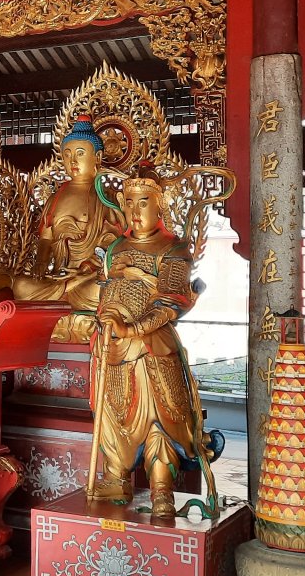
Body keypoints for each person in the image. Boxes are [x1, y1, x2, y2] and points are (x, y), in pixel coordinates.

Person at [89, 167, 218, 520]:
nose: (135, 210)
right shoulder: (116, 247)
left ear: (160, 205)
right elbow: (104, 289)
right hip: (112, 347)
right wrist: (104, 316)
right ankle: (117, 478)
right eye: (129, 202)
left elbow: (170, 303)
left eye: (144, 202)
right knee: (115, 417)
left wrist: (132, 328)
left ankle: (162, 490)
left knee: (160, 420)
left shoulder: (174, 248)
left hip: (152, 349)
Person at [14, 114, 125, 312]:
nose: (72, 160)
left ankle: (64, 296)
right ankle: (63, 294)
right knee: (21, 286)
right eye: (67, 154)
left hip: (88, 277)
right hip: (58, 275)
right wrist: (41, 262)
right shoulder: (55, 197)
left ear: (97, 157)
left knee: (105, 291)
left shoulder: (105, 197)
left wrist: (87, 268)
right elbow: (46, 238)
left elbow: (111, 242)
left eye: (80, 153)